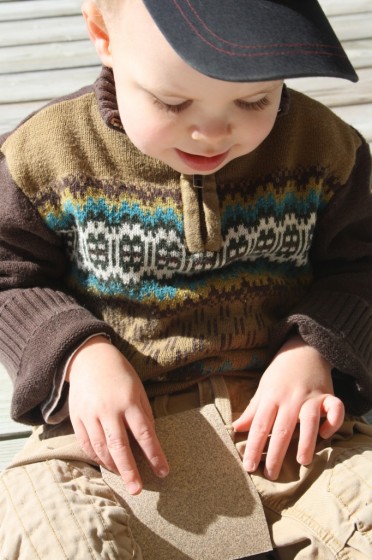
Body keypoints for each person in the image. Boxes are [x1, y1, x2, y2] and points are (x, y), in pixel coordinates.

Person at [0, 0, 371, 558]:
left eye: (255, 99)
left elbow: (359, 264)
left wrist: (312, 346)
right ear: (103, 33)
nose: (212, 132)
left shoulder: (326, 149)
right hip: (103, 444)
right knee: (48, 532)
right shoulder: (42, 156)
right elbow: (9, 273)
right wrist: (76, 352)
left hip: (285, 435)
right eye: (172, 102)